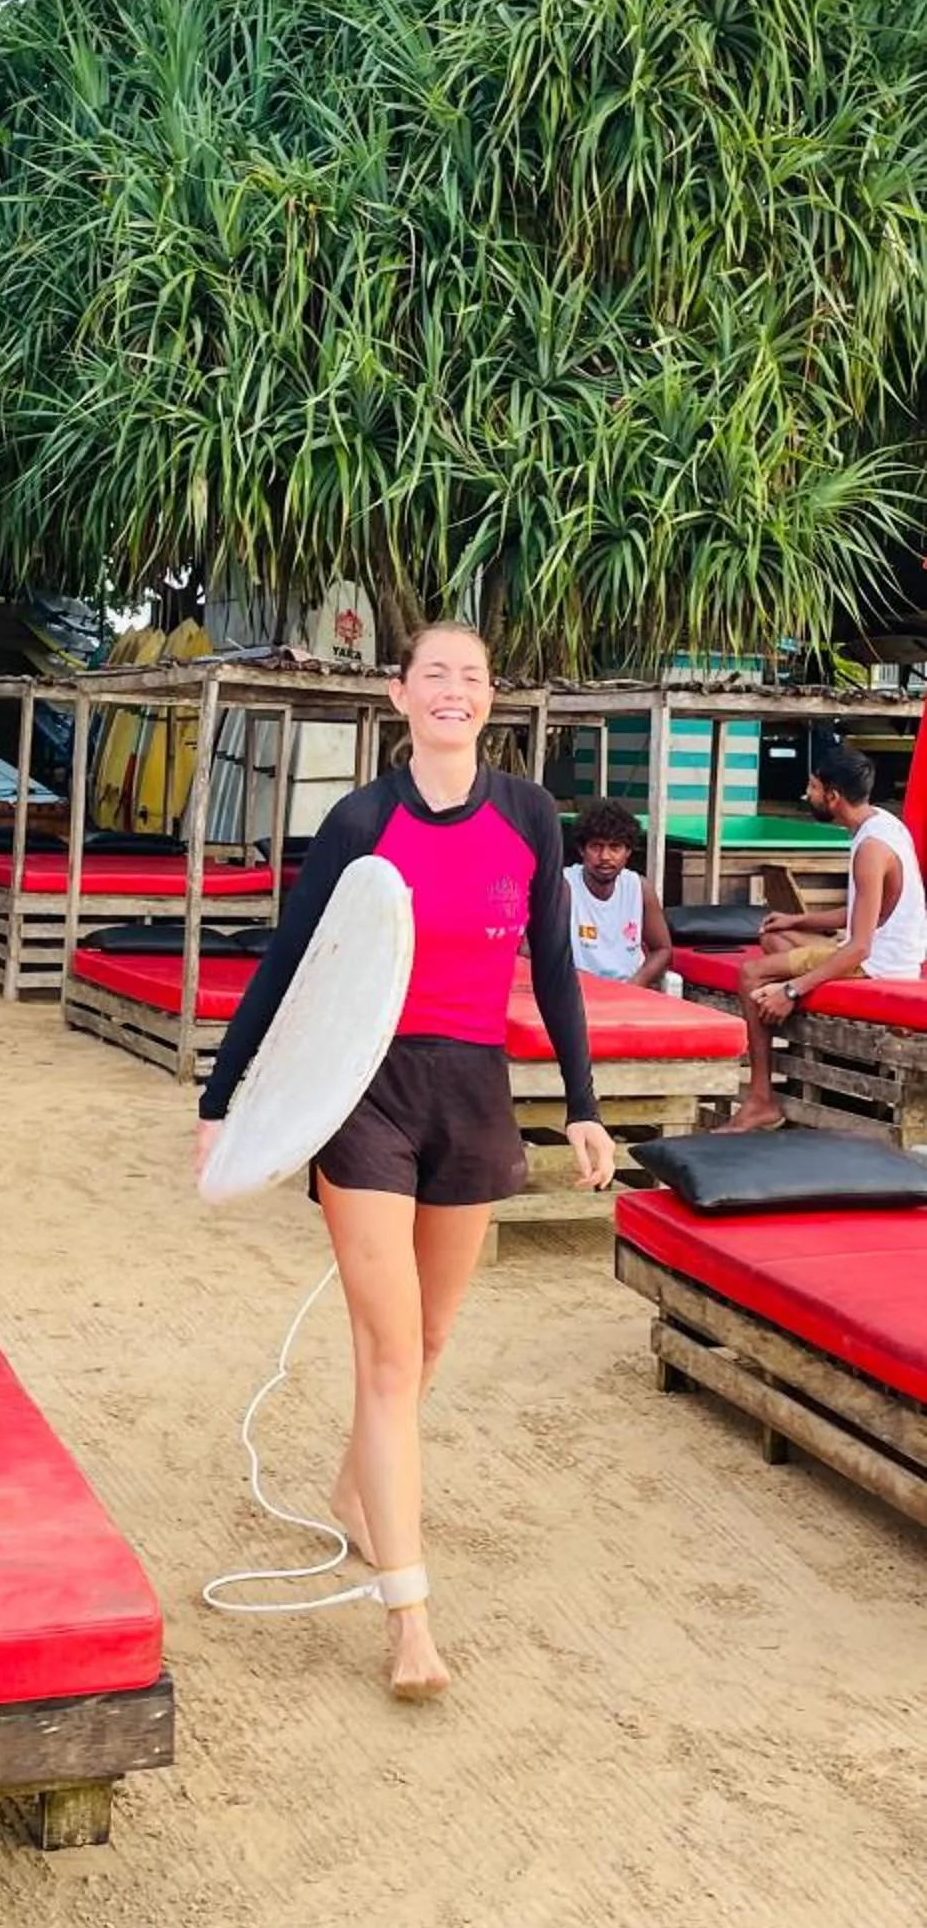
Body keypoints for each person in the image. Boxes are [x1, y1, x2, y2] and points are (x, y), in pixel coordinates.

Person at [196, 622, 616, 1705]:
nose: (453, 691)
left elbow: (554, 969)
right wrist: (220, 1101)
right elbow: (289, 963)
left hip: (473, 1095)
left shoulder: (530, 816)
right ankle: (408, 1620)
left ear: (491, 698)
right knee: (387, 1355)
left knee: (429, 1337)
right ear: (400, 695)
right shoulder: (359, 820)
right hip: (365, 1095)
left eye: (471, 677)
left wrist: (582, 1107)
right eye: (435, 674)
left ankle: (356, 1487)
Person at [720, 744, 927, 1133]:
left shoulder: (871, 849)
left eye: (813, 787)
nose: (807, 794)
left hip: (878, 965)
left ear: (833, 796)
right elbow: (864, 910)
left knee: (750, 975)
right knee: (777, 939)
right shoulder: (882, 822)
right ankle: (787, 995)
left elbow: (860, 947)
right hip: (879, 951)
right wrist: (798, 919)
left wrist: (791, 991)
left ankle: (761, 1100)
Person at [565, 799, 672, 987]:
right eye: (596, 847)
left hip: (629, 992)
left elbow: (662, 949)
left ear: (628, 851)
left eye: (615, 847)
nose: (605, 857)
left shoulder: (640, 888)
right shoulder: (563, 886)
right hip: (577, 991)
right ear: (582, 850)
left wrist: (635, 985)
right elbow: (531, 949)